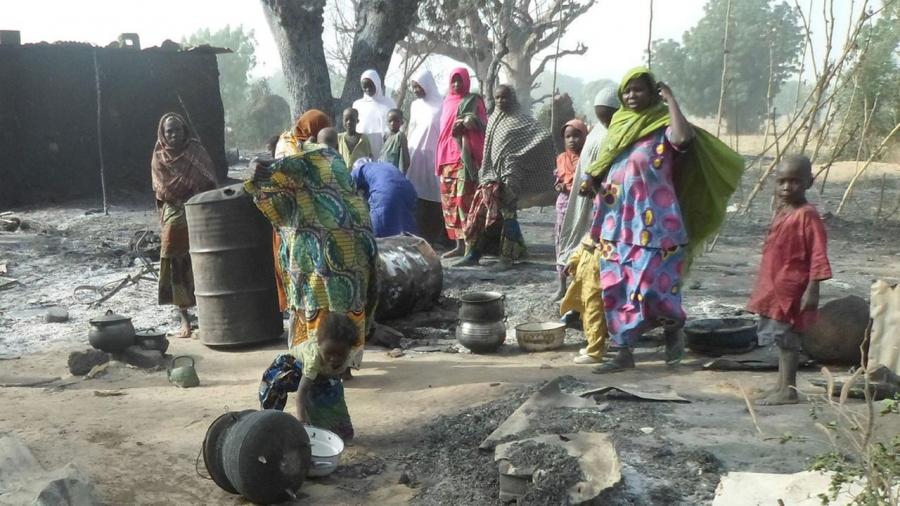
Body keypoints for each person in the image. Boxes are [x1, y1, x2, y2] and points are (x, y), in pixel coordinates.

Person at [584, 67, 743, 374]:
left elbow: (683, 138)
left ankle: (673, 330)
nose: (632, 96)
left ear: (652, 92)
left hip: (656, 227)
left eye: (639, 90)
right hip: (615, 223)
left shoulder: (663, 125)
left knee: (654, 286)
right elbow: (605, 163)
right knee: (616, 286)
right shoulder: (619, 124)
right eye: (627, 90)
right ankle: (623, 350)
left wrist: (670, 99)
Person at [245, 149, 378, 387]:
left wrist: (262, 171)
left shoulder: (301, 196)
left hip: (309, 271)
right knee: (345, 313)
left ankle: (313, 366)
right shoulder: (351, 199)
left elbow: (270, 193)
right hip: (348, 276)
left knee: (313, 309)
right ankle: (343, 367)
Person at [748, 155, 831, 405]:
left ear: (809, 182)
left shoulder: (808, 215)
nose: (786, 187)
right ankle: (780, 385)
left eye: (794, 181)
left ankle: (789, 390)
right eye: (782, 181)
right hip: (775, 285)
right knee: (781, 338)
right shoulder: (784, 211)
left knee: (788, 339)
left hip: (792, 288)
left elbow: (818, 253)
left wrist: (813, 288)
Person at [455, 84, 556, 271]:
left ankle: (507, 258)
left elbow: (543, 137)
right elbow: (489, 148)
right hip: (490, 175)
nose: (501, 101)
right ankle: (473, 254)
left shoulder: (521, 120)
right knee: (480, 214)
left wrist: (516, 160)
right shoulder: (493, 119)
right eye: (498, 98)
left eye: (505, 97)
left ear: (513, 98)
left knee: (507, 215)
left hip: (510, 176)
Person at [150, 112, 217, 338]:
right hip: (174, 212)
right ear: (163, 133)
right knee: (174, 262)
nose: (173, 135)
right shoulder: (159, 156)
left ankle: (210, 315)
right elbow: (162, 188)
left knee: (204, 260)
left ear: (184, 130)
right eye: (169, 131)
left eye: (177, 130)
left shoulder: (196, 151)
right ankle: (185, 319)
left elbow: (208, 180)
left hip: (199, 209)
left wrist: (194, 197)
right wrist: (182, 196)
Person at [555, 87, 619, 291]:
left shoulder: (623, 132)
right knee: (579, 244)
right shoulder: (597, 133)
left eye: (608, 117)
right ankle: (575, 289)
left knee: (605, 247)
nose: (605, 122)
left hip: (612, 199)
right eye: (601, 117)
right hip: (585, 199)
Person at [259, 311, 359, 441]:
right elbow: (302, 392)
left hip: (320, 373)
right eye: (329, 353)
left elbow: (335, 387)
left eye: (340, 355)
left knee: (330, 394)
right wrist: (302, 422)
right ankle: (269, 427)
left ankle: (334, 432)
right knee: (274, 387)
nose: (333, 359)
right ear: (320, 344)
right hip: (292, 366)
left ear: (349, 350)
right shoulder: (314, 358)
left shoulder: (348, 357)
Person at [436, 67, 488, 258]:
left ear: (466, 81)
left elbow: (485, 125)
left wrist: (469, 121)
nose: (457, 84)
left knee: (463, 201)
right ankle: (458, 245)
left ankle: (470, 247)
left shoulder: (474, 101)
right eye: (454, 81)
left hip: (463, 157)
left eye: (460, 80)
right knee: (449, 204)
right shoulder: (446, 101)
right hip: (445, 158)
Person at [406, 68, 446, 246]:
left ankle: (435, 234)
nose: (416, 90)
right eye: (413, 87)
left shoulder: (441, 105)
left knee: (435, 195)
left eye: (418, 86)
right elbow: (411, 130)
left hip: (434, 157)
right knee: (416, 194)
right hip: (415, 156)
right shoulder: (414, 105)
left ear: (427, 85)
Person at [552, 119, 588, 300]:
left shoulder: (588, 157)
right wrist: (559, 186)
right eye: (568, 136)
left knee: (582, 243)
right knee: (562, 242)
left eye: (577, 135)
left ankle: (579, 286)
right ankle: (562, 286)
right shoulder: (561, 159)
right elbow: (558, 180)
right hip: (564, 206)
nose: (572, 140)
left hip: (584, 205)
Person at [560, 234, 608, 364]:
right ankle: (595, 345)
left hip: (598, 283)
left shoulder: (611, 236)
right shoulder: (591, 234)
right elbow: (580, 250)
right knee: (586, 315)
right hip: (584, 282)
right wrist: (572, 262)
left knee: (594, 316)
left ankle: (595, 353)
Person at [351, 158, 418, 237]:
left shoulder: (360, 169)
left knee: (380, 232)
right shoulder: (383, 166)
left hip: (385, 192)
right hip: (409, 191)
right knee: (405, 224)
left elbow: (347, 186)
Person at [352, 69, 396, 157]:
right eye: (364, 87)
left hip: (383, 145)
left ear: (377, 84)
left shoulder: (389, 103)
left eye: (370, 86)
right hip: (363, 145)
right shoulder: (357, 104)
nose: (367, 89)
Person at [379, 108, 410, 173]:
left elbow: (405, 160)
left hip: (394, 173)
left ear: (402, 122)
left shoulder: (400, 136)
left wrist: (399, 176)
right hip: (384, 171)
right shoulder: (386, 136)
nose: (392, 123)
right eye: (390, 121)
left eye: (396, 121)